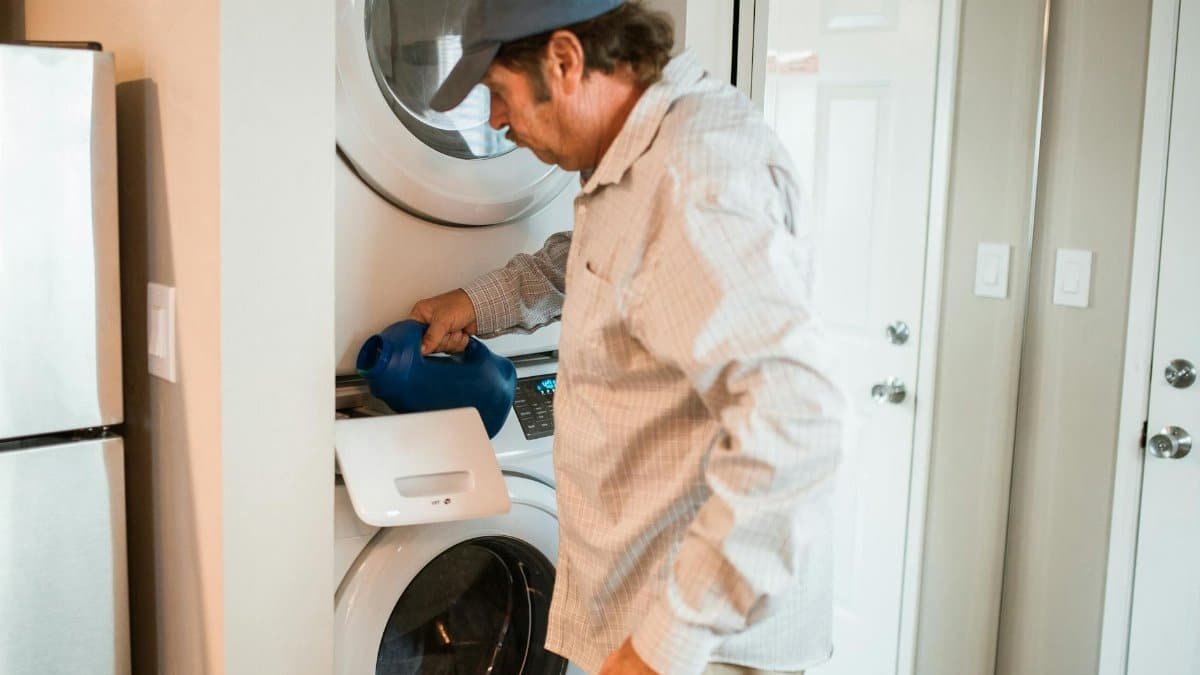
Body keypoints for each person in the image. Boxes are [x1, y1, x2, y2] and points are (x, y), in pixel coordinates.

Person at [409, 2, 843, 673]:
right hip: (654, 627)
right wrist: (478, 301)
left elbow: (797, 420)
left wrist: (661, 647)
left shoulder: (694, 176)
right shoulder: (639, 158)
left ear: (565, 60)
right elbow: (598, 253)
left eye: (499, 93)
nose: (495, 119)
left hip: (706, 650)